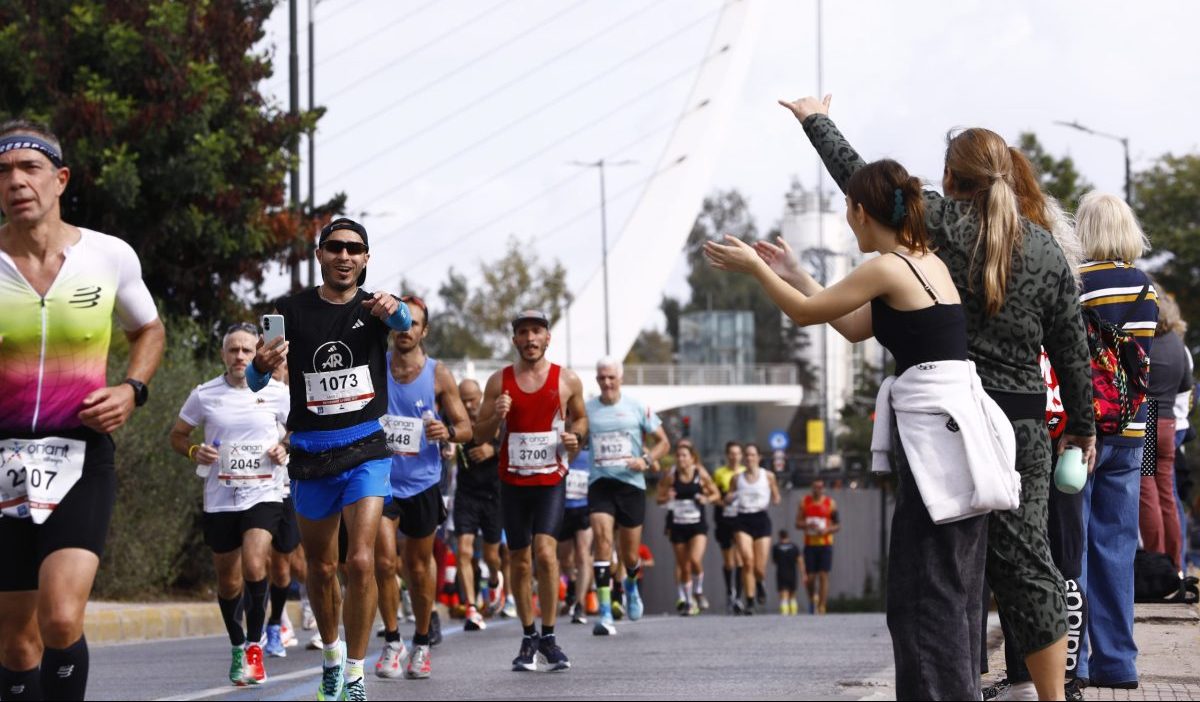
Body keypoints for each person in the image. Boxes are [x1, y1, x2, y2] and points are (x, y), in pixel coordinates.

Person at [771, 94, 1096, 701]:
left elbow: (862, 180)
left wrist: (815, 120)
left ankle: (953, 685)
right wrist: (1082, 427)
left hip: (948, 422)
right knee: (1029, 569)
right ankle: (1050, 696)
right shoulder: (1049, 249)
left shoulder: (937, 226)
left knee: (945, 571)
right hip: (1022, 429)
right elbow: (1072, 352)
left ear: (949, 177)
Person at [0, 120, 165, 702]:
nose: (16, 181)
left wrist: (131, 391)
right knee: (15, 641)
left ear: (60, 178)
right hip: (2, 460)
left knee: (62, 618)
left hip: (80, 456)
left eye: (30, 168)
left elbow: (148, 329)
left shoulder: (107, 255)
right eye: (3, 172)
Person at [248, 217, 412, 701]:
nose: (345, 256)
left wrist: (397, 308)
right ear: (319, 255)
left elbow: (405, 325)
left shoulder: (375, 307)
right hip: (311, 453)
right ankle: (333, 658)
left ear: (366, 259)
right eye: (335, 248)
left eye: (354, 249)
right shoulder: (291, 310)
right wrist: (261, 364)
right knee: (320, 568)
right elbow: (258, 382)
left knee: (360, 560)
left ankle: (357, 674)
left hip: (365, 447)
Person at [169, 322, 291, 685]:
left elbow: (297, 428)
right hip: (221, 498)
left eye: (247, 350)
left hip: (264, 492)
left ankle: (255, 645)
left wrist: (285, 447)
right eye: (233, 350)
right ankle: (238, 645)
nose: (240, 356)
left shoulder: (278, 392)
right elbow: (178, 436)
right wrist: (194, 450)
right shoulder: (204, 394)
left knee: (255, 565)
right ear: (223, 354)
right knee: (227, 581)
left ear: (258, 353)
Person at [1075, 192, 1159, 690]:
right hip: (1130, 431)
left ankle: (1077, 660)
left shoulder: (1076, 285)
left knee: (1075, 545)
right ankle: (1119, 663)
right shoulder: (1145, 288)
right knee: (1117, 546)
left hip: (1082, 432)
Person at [472, 310, 587, 672]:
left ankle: (549, 638)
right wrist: (496, 416)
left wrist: (576, 437)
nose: (530, 338)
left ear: (547, 338)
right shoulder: (499, 382)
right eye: (523, 333)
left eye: (536, 331)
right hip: (512, 481)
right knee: (520, 560)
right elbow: (479, 435)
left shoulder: (566, 379)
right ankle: (528, 637)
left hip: (550, 479)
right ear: (515, 340)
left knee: (547, 553)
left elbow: (581, 418)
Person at [373, 296, 471, 680]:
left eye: (413, 324)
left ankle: (422, 641)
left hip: (424, 482)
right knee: (383, 560)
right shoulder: (375, 366)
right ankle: (392, 640)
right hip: (381, 479)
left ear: (424, 331)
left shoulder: (439, 374)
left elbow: (465, 428)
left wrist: (447, 430)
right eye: (400, 322)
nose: (405, 330)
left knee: (417, 566)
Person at [585, 356, 670, 636]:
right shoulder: (588, 410)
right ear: (597, 380)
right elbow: (575, 436)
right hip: (601, 483)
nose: (607, 383)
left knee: (629, 554)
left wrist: (645, 460)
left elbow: (664, 442)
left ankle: (631, 586)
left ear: (620, 378)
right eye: (602, 378)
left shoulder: (636, 408)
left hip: (631, 486)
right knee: (602, 543)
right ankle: (606, 611)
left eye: (611, 377)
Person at [452, 378, 506, 628]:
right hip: (466, 495)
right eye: (464, 400)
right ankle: (471, 608)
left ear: (482, 396)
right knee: (464, 550)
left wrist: (492, 450)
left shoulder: (495, 418)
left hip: (493, 495)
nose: (470, 405)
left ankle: (495, 579)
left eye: (473, 399)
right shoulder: (454, 420)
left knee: (491, 555)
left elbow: (513, 444)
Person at [1141, 292, 1189, 569]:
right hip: (1169, 422)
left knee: (1147, 493)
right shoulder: (1177, 343)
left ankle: (1156, 561)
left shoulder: (1147, 341)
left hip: (1148, 419)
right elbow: (1186, 385)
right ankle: (1176, 564)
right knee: (1167, 494)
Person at [656, 440, 719, 615]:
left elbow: (716, 494)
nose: (681, 459)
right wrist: (667, 497)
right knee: (684, 566)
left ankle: (698, 590)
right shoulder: (671, 475)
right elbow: (659, 499)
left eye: (684, 456)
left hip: (697, 524)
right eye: (678, 456)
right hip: (678, 524)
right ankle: (688, 601)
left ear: (692, 458)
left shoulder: (700, 473)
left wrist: (706, 499)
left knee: (694, 560)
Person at [725, 443, 781, 614]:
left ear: (758, 457)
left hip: (761, 519)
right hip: (742, 519)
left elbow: (777, 497)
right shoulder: (736, 478)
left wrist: (773, 496)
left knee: (759, 567)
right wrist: (729, 497)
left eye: (752, 455)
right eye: (747, 455)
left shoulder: (769, 476)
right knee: (747, 561)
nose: (749, 458)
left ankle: (760, 582)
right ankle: (749, 601)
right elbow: (728, 497)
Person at [558, 447, 594, 624]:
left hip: (584, 509)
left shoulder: (590, 454)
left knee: (583, 554)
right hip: (563, 510)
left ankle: (579, 604)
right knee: (565, 560)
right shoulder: (561, 450)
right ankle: (572, 583)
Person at [710, 441, 746, 612]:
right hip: (724, 519)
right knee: (729, 561)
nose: (734, 456)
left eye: (737, 453)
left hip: (741, 518)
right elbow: (712, 494)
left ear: (741, 456)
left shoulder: (745, 473)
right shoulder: (719, 473)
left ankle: (739, 596)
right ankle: (729, 591)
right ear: (727, 455)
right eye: (731, 453)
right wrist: (721, 502)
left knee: (740, 559)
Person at [797, 479, 839, 615]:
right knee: (810, 577)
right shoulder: (804, 502)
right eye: (815, 487)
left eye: (820, 487)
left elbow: (837, 525)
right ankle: (812, 598)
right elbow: (797, 523)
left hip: (826, 543)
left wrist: (826, 530)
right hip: (810, 544)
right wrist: (807, 525)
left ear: (824, 489)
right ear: (811, 488)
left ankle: (822, 605)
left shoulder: (830, 503)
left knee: (823, 575)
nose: (817, 490)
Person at [771, 530, 804, 616]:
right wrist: (803, 574)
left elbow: (774, 561)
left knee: (783, 596)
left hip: (781, 573)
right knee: (792, 595)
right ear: (788, 536)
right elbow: (800, 561)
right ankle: (794, 613)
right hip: (792, 573)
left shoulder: (776, 547)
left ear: (779, 536)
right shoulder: (794, 547)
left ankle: (784, 613)